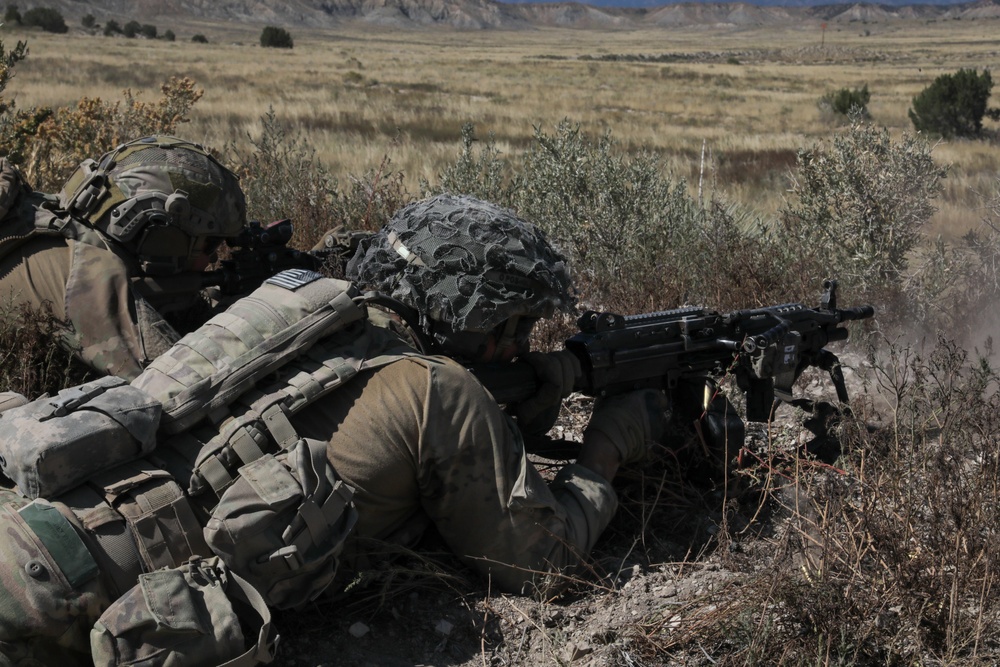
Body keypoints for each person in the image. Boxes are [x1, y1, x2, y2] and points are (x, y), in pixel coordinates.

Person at [0, 194, 667, 666]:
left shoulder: (294, 302)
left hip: (29, 511)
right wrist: (605, 449)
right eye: (516, 327)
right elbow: (544, 566)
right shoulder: (440, 390)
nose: (519, 345)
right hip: (58, 602)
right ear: (476, 316)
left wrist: (545, 385)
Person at [0, 135, 248, 380]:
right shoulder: (90, 272)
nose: (213, 258)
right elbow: (179, 386)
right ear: (160, 235)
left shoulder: (58, 222)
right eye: (209, 243)